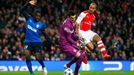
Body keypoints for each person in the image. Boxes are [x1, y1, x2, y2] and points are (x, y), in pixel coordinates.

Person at [20, 0, 48, 75]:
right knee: (27, 55)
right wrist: (28, 4)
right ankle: (31, 73)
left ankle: (43, 66)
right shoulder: (29, 18)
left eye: (39, 16)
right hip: (28, 41)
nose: (38, 17)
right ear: (34, 15)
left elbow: (44, 33)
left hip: (37, 42)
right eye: (37, 16)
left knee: (38, 57)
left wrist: (48, 40)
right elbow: (21, 10)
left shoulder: (41, 24)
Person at [59, 11, 85, 75]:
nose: (73, 19)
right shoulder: (66, 25)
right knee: (80, 56)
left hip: (69, 43)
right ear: (68, 17)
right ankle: (75, 73)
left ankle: (68, 65)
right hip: (65, 44)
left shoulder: (72, 23)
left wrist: (79, 37)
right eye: (72, 18)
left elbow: (72, 35)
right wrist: (77, 44)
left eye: (74, 18)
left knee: (83, 54)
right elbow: (68, 38)